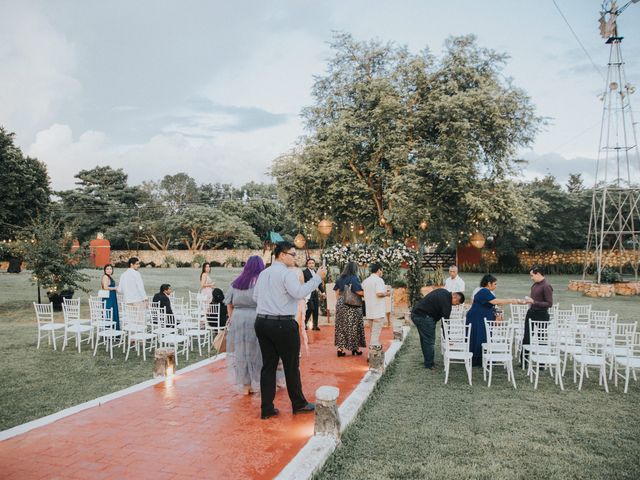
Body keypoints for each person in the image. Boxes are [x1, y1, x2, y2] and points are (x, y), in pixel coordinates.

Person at [253, 241, 326, 420]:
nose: (296, 257)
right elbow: (299, 293)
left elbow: (255, 297)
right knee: (291, 365)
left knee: (268, 366)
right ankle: (299, 404)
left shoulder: (263, 273)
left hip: (262, 322)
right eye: (293, 254)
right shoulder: (286, 274)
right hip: (282, 324)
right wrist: (318, 278)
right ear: (281, 255)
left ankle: (267, 408)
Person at [225, 256, 265, 395]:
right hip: (256, 317)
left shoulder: (236, 282)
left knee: (241, 353)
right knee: (259, 352)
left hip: (238, 318)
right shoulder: (261, 282)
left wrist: (232, 318)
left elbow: (229, 304)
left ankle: (246, 385)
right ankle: (265, 381)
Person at [465, 274, 521, 367]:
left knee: (483, 336)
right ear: (489, 284)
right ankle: (478, 359)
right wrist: (510, 300)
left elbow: (493, 305)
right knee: (479, 336)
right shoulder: (484, 291)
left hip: (481, 317)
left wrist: (497, 314)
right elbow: (495, 302)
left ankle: (483, 358)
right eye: (495, 284)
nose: (496, 286)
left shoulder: (487, 292)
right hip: (477, 318)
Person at [411, 288, 465, 370]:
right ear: (454, 296)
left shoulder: (444, 292)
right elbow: (445, 321)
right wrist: (447, 338)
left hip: (416, 314)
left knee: (425, 339)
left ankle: (428, 362)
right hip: (424, 316)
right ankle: (429, 364)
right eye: (457, 303)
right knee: (429, 341)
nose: (455, 305)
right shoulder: (447, 301)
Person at [522, 266, 554, 364]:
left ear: (538, 274)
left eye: (532, 275)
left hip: (542, 315)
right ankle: (524, 361)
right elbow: (534, 300)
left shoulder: (547, 286)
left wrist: (534, 302)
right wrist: (529, 301)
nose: (531, 277)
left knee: (542, 338)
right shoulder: (535, 285)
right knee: (527, 337)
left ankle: (542, 363)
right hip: (531, 313)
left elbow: (549, 304)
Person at [334, 261, 366, 357]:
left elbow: (337, 292)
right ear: (354, 269)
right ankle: (354, 349)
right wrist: (367, 292)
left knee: (341, 327)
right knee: (354, 326)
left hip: (340, 304)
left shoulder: (340, 278)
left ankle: (340, 350)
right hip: (352, 305)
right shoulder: (354, 278)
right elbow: (358, 292)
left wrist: (341, 300)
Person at [361, 263, 391, 349]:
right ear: (378, 270)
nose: (382, 272)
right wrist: (387, 293)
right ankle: (371, 355)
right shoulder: (379, 280)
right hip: (378, 312)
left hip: (369, 311)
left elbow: (362, 293)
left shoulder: (365, 281)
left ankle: (373, 353)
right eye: (382, 270)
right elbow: (379, 293)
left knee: (373, 333)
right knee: (375, 336)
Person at [303, 258, 325, 331]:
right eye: (310, 263)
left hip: (315, 292)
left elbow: (319, 283)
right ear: (307, 264)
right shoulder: (304, 272)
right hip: (308, 293)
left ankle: (315, 325)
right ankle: (304, 324)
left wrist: (323, 292)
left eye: (313, 263)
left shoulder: (316, 272)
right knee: (310, 308)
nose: (311, 264)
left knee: (315, 309)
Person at [101, 264, 120, 329]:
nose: (109, 270)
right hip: (108, 298)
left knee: (112, 313)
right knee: (109, 313)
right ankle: (109, 331)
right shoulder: (105, 277)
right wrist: (114, 288)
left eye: (110, 269)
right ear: (105, 270)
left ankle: (113, 330)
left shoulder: (109, 277)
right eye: (107, 269)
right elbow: (105, 287)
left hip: (112, 296)